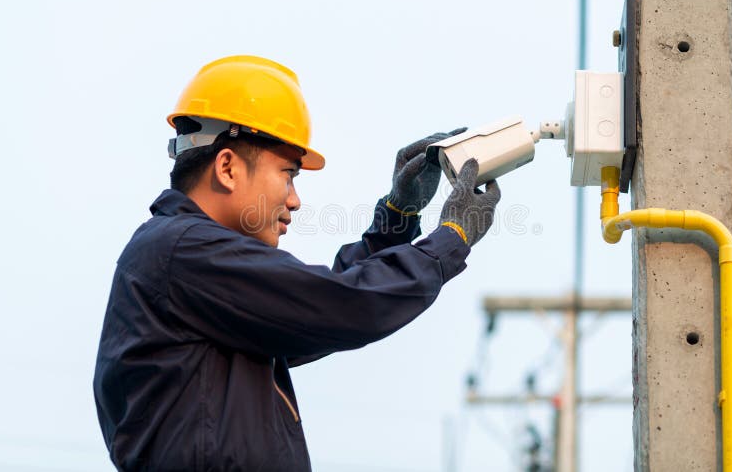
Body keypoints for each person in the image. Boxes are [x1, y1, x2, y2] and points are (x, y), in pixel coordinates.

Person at [93, 55, 501, 471]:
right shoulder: (183, 251)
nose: (294, 201)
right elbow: (340, 305)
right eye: (287, 174)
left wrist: (398, 217)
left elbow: (314, 303)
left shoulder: (184, 261)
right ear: (228, 168)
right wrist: (451, 238)